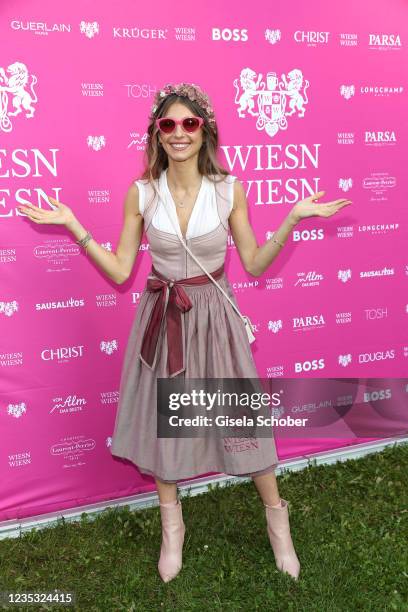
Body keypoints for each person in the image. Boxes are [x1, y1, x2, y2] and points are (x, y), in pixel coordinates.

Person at [17, 81, 352, 584]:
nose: (179, 133)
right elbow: (120, 270)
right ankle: (172, 529)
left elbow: (256, 264)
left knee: (243, 422)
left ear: (205, 131)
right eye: (168, 124)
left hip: (215, 317)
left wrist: (293, 218)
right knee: (165, 426)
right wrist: (73, 226)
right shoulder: (142, 192)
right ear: (157, 132)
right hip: (162, 318)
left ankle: (278, 524)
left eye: (189, 124)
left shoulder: (228, 188)